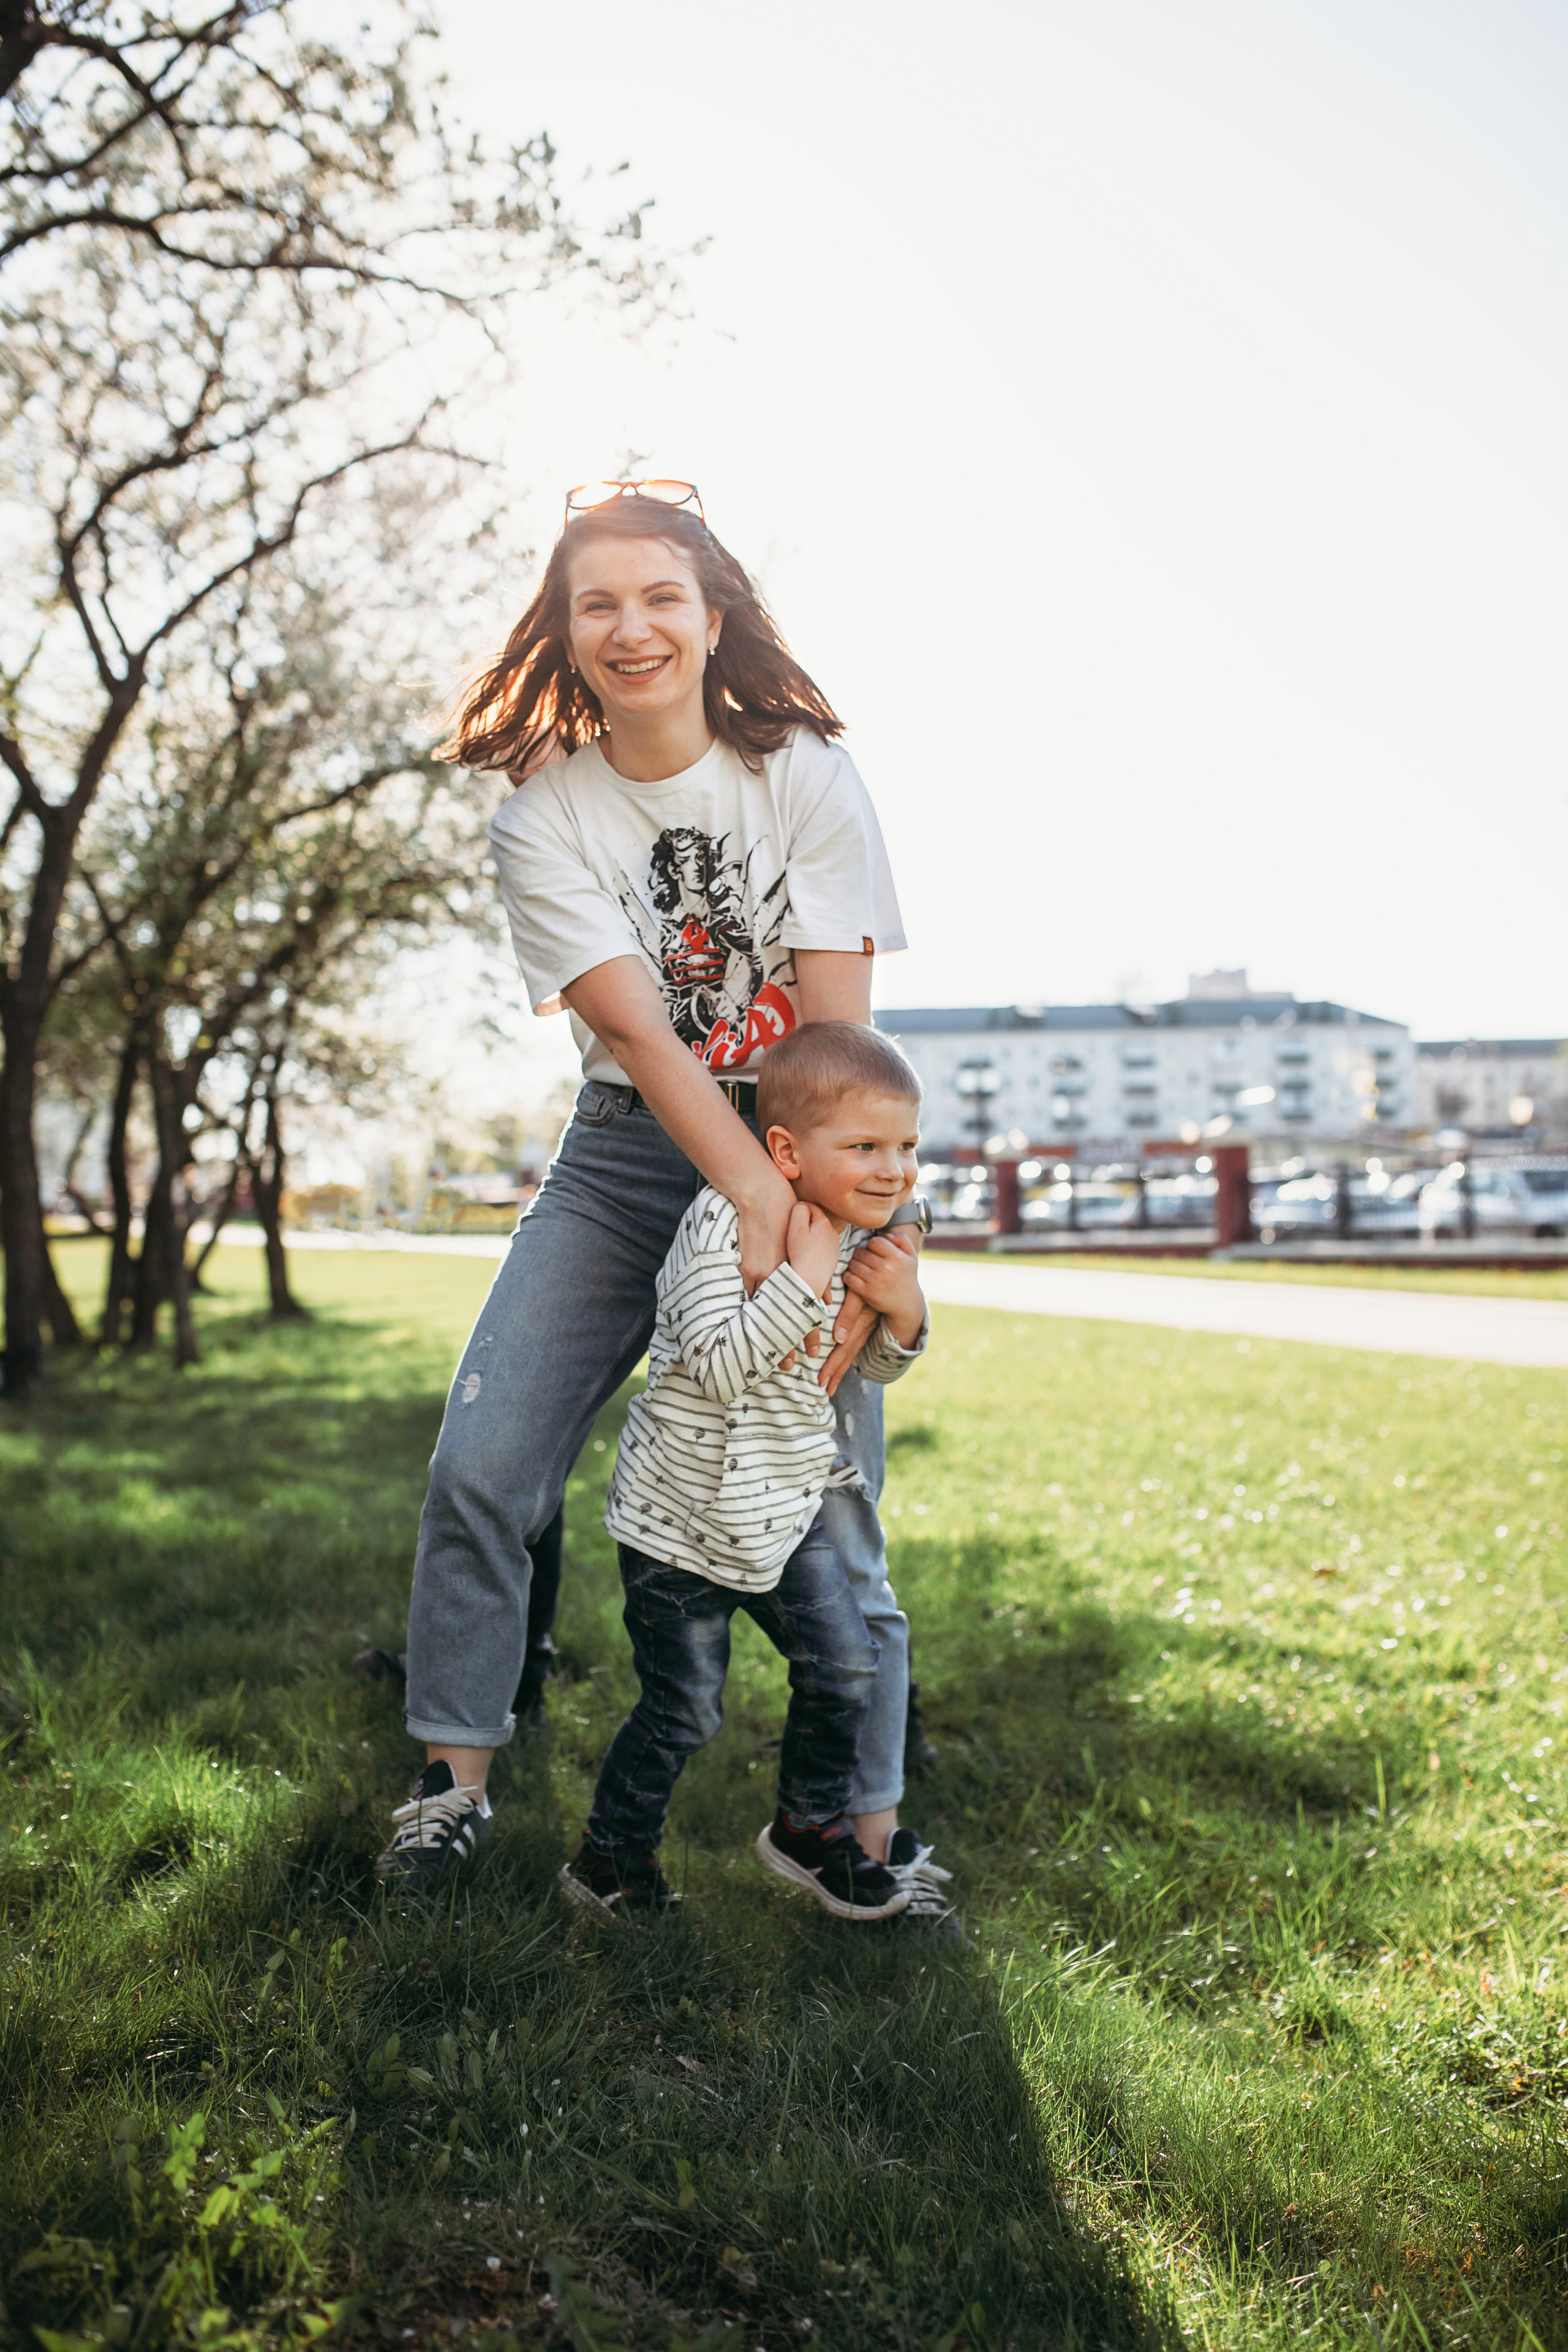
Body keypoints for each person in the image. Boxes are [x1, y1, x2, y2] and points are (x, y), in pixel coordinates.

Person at [375, 479, 950, 1930]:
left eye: (658, 598)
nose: (629, 629)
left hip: (805, 1144)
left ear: (710, 616)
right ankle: (451, 1786)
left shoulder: (806, 775)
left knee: (837, 1489)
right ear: (565, 636)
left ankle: (850, 1835)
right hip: (631, 1153)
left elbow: (833, 1048)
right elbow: (638, 1035)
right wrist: (747, 1189)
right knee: (482, 1467)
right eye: (596, 606)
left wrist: (844, 1218)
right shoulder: (543, 817)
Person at [560, 1022, 934, 1922]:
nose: (896, 1170)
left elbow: (860, 1368)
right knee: (685, 1709)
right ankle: (610, 1858)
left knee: (846, 1666)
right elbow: (718, 1365)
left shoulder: (856, 1233)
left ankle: (809, 1829)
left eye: (908, 1147)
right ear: (785, 1150)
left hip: (783, 1508)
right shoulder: (723, 1225)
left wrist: (905, 1312)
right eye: (867, 1147)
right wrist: (803, 1278)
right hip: (679, 1521)